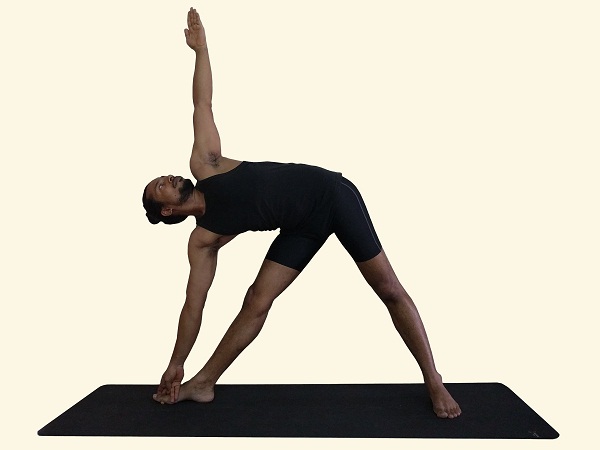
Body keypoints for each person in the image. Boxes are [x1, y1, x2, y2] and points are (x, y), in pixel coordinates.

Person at [143, 7, 461, 419]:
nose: (169, 177)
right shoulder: (203, 240)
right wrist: (176, 363)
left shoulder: (206, 164)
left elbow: (201, 102)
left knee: (389, 289)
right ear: (168, 210)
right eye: (161, 185)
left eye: (165, 176)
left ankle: (434, 380)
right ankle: (202, 383)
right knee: (256, 301)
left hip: (333, 196)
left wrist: (201, 51)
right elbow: (193, 305)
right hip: (300, 227)